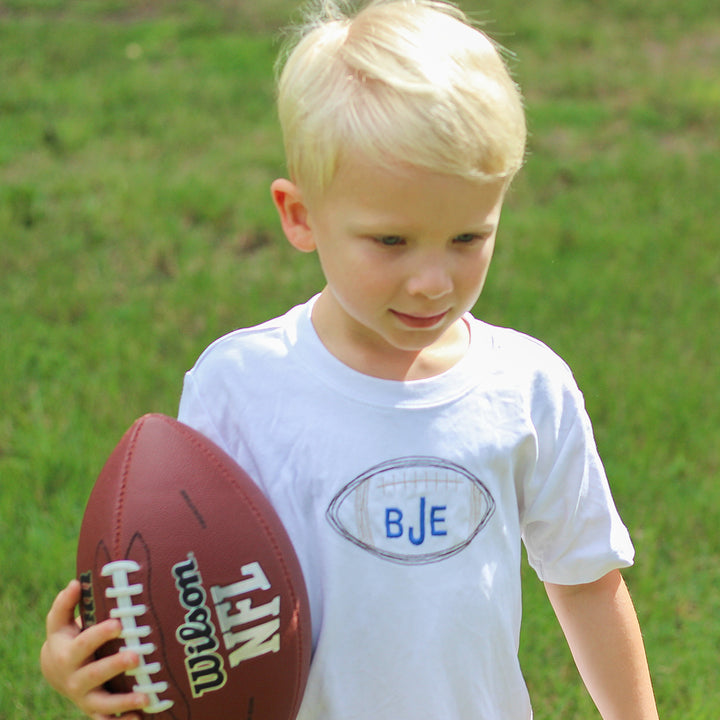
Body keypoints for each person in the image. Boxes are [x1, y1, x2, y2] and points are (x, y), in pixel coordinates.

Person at [41, 1, 660, 718]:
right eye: (391, 242)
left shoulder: (526, 387)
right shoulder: (240, 386)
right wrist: (89, 662)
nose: (434, 280)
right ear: (300, 217)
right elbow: (179, 584)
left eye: (467, 237)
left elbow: (585, 578)